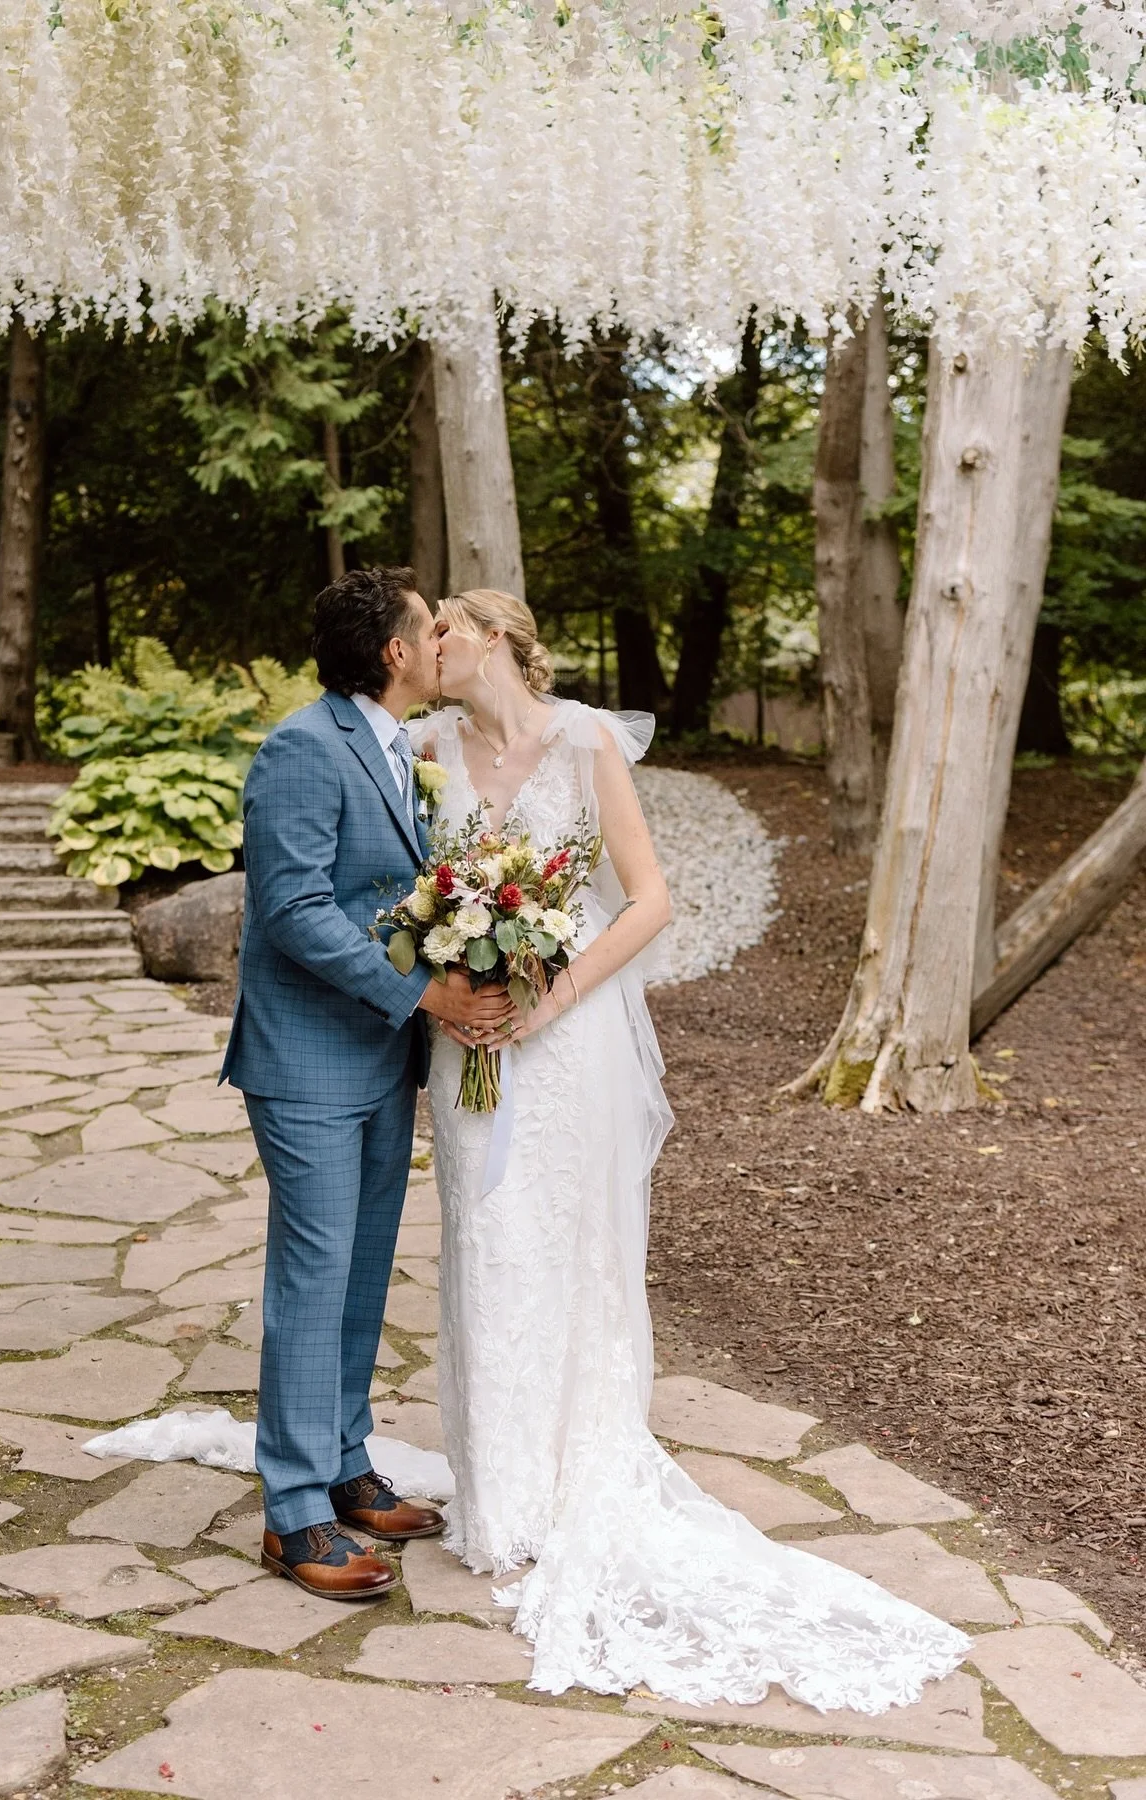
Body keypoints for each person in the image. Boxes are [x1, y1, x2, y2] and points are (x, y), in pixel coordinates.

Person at [414, 587, 970, 1712]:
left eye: (443, 629)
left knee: (570, 1245)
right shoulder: (426, 750)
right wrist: (450, 983)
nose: (426, 646)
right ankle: (499, 1490)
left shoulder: (585, 743)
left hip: (563, 1044)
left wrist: (550, 1000)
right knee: (484, 1237)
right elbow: (412, 892)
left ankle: (572, 1470)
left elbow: (651, 899)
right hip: (468, 1033)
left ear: (497, 641)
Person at [221, 566, 512, 1601]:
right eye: (432, 630)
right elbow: (295, 912)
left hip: (377, 1058)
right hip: (306, 1059)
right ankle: (293, 1515)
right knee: (312, 1276)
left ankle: (344, 1465)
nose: (445, 642)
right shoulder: (302, 748)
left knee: (357, 1273)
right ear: (395, 653)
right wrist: (430, 999)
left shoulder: (393, 750)